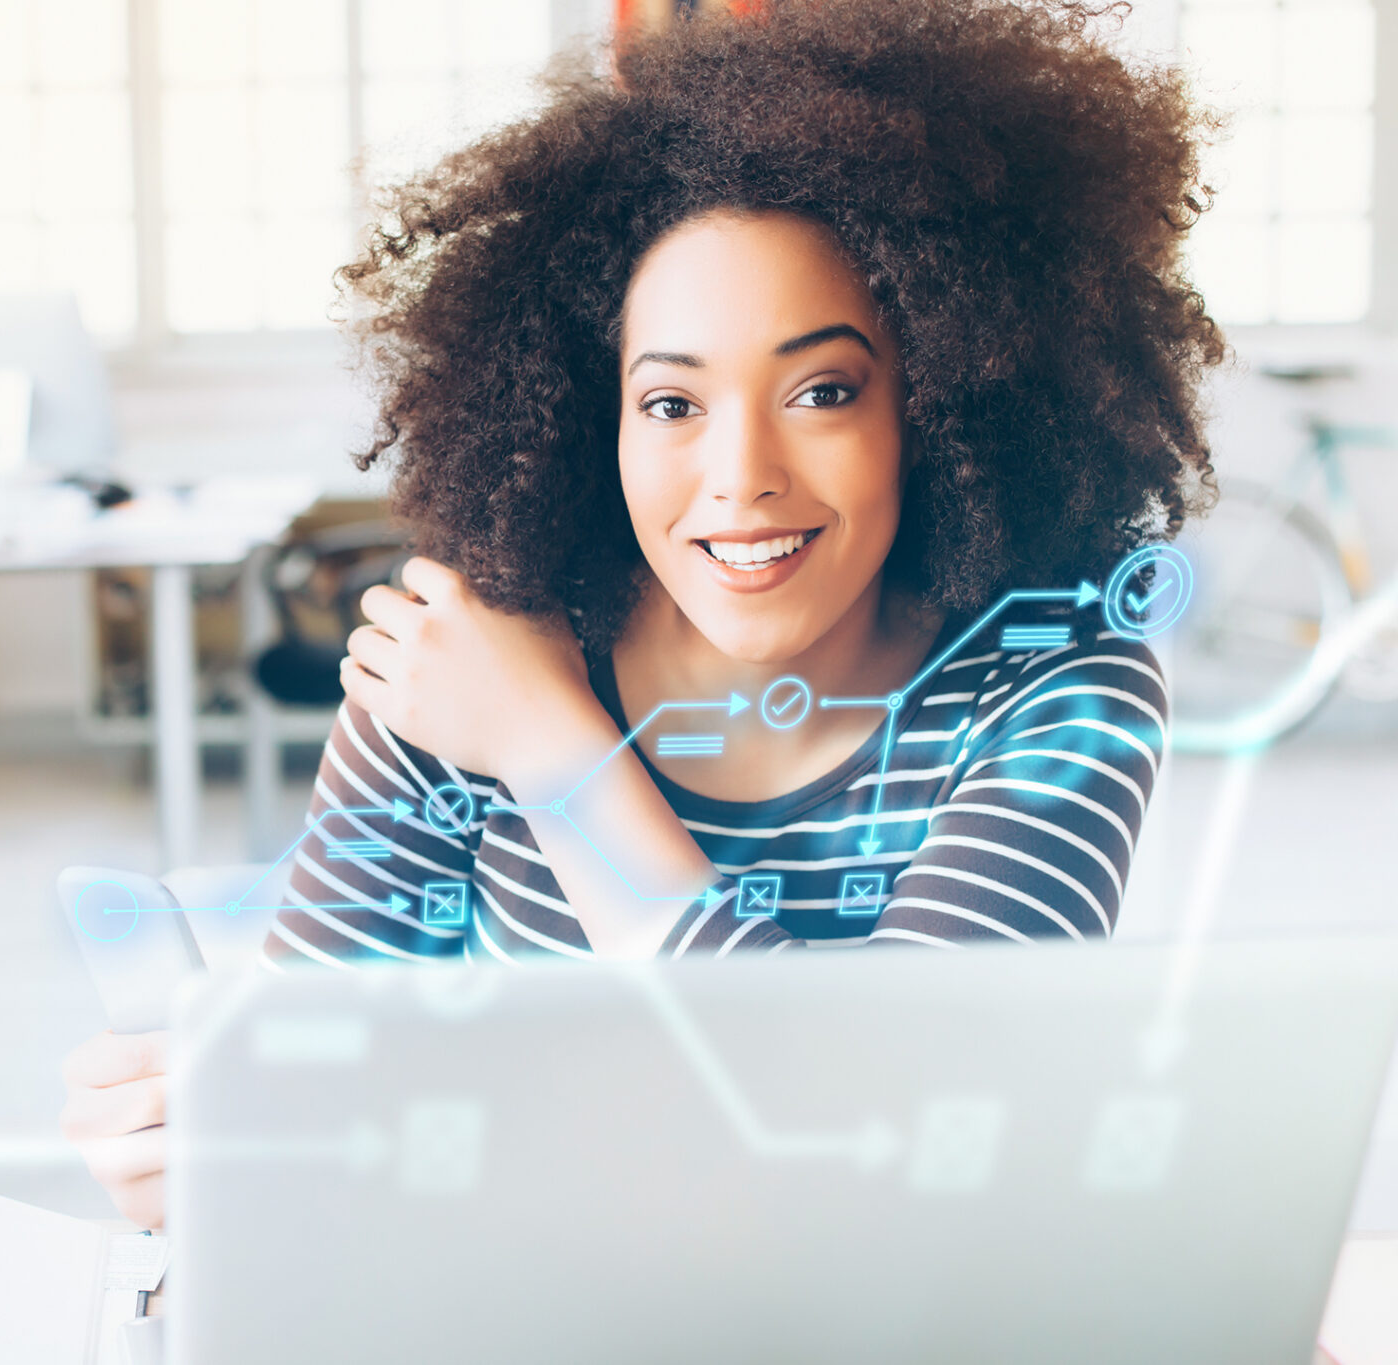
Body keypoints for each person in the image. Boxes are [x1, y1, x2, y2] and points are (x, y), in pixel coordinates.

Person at [63, 0, 1223, 1228]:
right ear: (591, 413)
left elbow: (875, 1132)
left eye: (821, 391)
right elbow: (306, 1119)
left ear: (938, 407)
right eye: (671, 404)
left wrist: (559, 760)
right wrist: (190, 1156)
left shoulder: (1050, 687)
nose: (739, 478)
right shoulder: (461, 659)